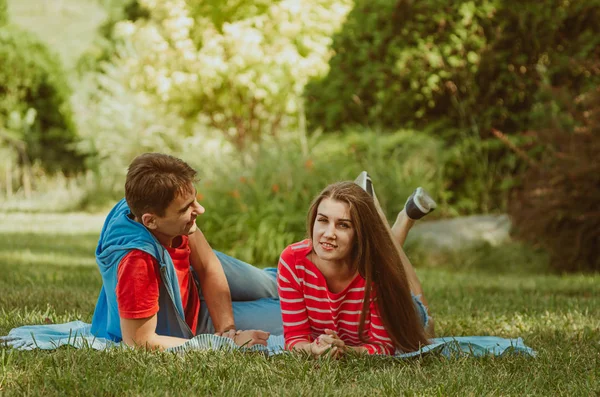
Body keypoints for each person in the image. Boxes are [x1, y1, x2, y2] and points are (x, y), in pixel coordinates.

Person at [91, 153, 282, 350]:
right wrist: (225, 344)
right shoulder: (137, 264)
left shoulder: (156, 205)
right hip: (191, 318)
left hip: (194, 281)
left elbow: (207, 266)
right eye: (185, 209)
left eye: (194, 199)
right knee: (298, 316)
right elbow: (140, 341)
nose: (200, 209)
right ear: (151, 221)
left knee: (280, 283)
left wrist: (227, 328)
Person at [277, 175, 436, 356]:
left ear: (359, 233)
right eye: (322, 220)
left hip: (406, 311)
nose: (329, 233)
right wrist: (312, 349)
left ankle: (391, 220)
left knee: (423, 316)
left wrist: (347, 351)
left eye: (343, 225)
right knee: (384, 254)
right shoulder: (293, 261)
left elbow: (383, 347)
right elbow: (294, 339)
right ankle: (392, 215)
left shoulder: (376, 270)